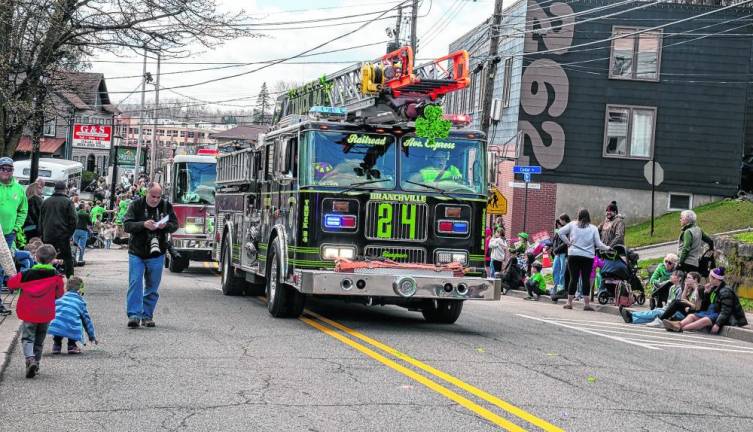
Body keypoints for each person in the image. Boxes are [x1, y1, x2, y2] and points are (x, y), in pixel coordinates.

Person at [123, 182, 178, 328]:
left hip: (157, 252)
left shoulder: (166, 206)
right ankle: (134, 315)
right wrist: (143, 225)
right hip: (137, 252)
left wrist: (164, 226)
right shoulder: (136, 205)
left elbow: (175, 225)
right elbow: (127, 225)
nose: (155, 199)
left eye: (158, 197)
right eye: (153, 196)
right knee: (135, 283)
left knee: (152, 286)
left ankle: (147, 316)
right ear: (146, 193)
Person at [6, 244, 65, 378]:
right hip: (45, 313)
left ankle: (30, 359)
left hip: (29, 312)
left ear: (36, 257)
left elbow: (11, 284)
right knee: (39, 339)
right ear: (53, 259)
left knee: (28, 337)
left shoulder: (26, 274)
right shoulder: (56, 276)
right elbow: (60, 294)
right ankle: (36, 362)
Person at [664, 267, 747, 333]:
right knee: (692, 316)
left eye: (710, 277)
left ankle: (681, 328)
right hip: (712, 311)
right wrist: (706, 293)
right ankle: (679, 324)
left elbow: (726, 310)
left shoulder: (726, 291)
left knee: (704, 320)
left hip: (724, 315)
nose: (709, 279)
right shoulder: (713, 288)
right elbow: (704, 306)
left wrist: (717, 324)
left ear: (715, 279)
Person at [558, 208, 610, 311]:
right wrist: (608, 248)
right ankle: (586, 304)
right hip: (588, 256)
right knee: (586, 279)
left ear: (578, 216)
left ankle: (569, 302)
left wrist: (568, 242)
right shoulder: (593, 228)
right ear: (588, 217)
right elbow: (598, 244)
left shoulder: (572, 224)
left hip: (573, 255)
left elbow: (560, 232)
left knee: (574, 278)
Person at [47, 276, 97, 354]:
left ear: (66, 288)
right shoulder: (80, 302)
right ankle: (72, 345)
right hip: (71, 327)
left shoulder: (60, 298)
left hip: (55, 327)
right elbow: (86, 321)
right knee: (74, 319)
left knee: (60, 318)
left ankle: (56, 345)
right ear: (80, 290)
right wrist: (91, 336)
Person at [620, 270, 689, 325]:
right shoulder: (672, 287)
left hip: (674, 312)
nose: (671, 276)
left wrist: (665, 309)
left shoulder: (680, 289)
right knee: (653, 316)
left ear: (679, 278)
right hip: (667, 308)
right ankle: (632, 319)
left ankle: (632, 314)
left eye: (673, 275)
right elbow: (669, 301)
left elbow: (676, 304)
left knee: (656, 312)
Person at [40, 181, 77, 278]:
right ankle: (69, 278)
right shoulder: (68, 202)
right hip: (62, 236)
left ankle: (46, 277)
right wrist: (69, 234)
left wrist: (42, 234)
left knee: (47, 257)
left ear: (54, 189)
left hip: (47, 235)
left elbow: (40, 220)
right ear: (65, 190)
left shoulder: (46, 202)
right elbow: (73, 220)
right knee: (67, 258)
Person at [551, 214, 570, 295]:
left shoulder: (568, 229)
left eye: (561, 220)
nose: (560, 222)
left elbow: (566, 243)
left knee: (563, 271)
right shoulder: (559, 230)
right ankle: (555, 287)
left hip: (563, 253)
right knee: (555, 270)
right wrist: (554, 250)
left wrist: (556, 250)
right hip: (557, 254)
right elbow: (554, 241)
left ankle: (561, 288)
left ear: (564, 220)